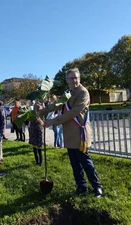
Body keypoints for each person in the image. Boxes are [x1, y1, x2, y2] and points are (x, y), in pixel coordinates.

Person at [40, 68, 102, 197]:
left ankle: (97, 186)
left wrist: (53, 121)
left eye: (76, 78)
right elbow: (57, 105)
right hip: (69, 133)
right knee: (75, 164)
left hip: (80, 133)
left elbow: (74, 112)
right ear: (67, 80)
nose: (74, 80)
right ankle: (81, 186)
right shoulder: (68, 92)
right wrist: (42, 111)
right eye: (72, 78)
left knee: (86, 162)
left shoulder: (83, 93)